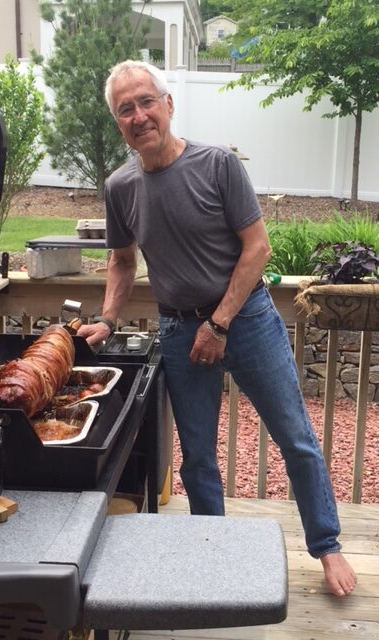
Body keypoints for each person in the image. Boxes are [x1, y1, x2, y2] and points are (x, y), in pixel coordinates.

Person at [77, 59, 357, 597]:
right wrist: (107, 320)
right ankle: (216, 554)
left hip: (246, 320)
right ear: (118, 122)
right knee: (198, 456)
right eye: (125, 109)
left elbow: (259, 248)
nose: (138, 116)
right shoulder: (120, 186)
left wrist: (220, 321)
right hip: (181, 333)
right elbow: (120, 261)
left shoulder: (217, 165)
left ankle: (327, 546)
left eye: (146, 102)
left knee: (296, 439)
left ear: (169, 105)